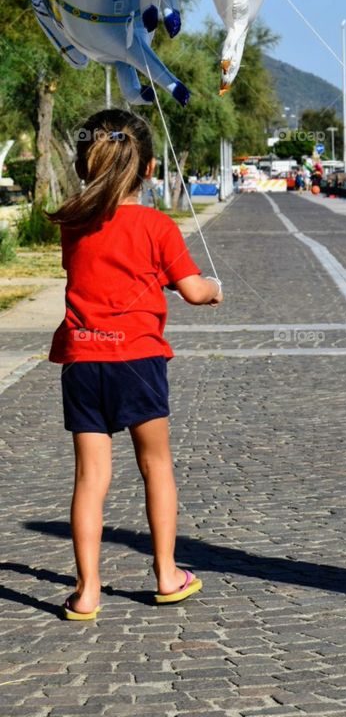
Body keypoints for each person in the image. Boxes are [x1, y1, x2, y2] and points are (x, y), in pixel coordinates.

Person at [47, 109, 223, 621]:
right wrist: (214, 290)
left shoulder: (73, 225)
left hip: (82, 359)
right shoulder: (156, 225)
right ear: (149, 170)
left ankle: (86, 592)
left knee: (89, 478)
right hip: (138, 359)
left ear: (86, 164)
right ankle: (167, 575)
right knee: (156, 467)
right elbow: (192, 291)